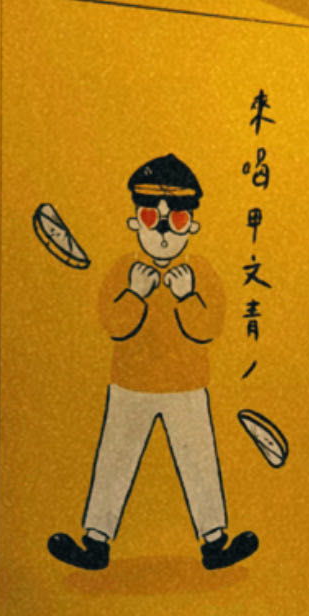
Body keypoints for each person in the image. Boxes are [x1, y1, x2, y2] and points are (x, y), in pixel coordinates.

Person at [47, 153, 258, 572]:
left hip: (186, 385)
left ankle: (215, 541)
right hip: (130, 383)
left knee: (199, 461)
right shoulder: (125, 270)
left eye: (176, 220)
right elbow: (113, 324)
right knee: (115, 458)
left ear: (191, 226)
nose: (162, 231)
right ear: (136, 222)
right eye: (150, 217)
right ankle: (96, 542)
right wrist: (135, 294)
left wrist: (188, 297)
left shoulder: (200, 271)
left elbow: (208, 328)